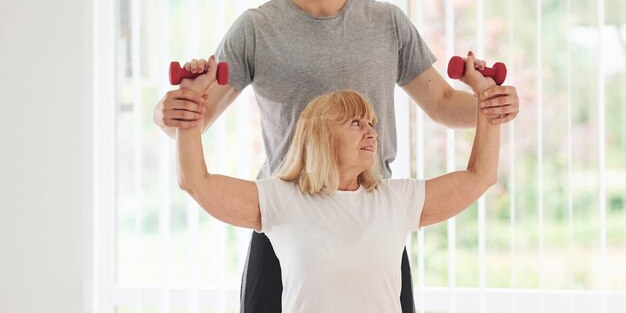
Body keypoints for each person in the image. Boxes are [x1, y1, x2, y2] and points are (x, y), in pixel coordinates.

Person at [154, 0, 520, 311]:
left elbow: (441, 103)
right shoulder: (257, 28)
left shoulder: (386, 24)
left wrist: (492, 106)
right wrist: (169, 113)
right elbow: (194, 118)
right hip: (287, 218)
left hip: (370, 218)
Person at [174, 53, 500, 313]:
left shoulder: (396, 200)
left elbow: (479, 176)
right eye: (355, 123)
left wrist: (487, 98)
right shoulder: (282, 199)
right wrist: (190, 99)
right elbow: (196, 182)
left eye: (371, 122)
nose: (371, 131)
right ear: (321, 135)